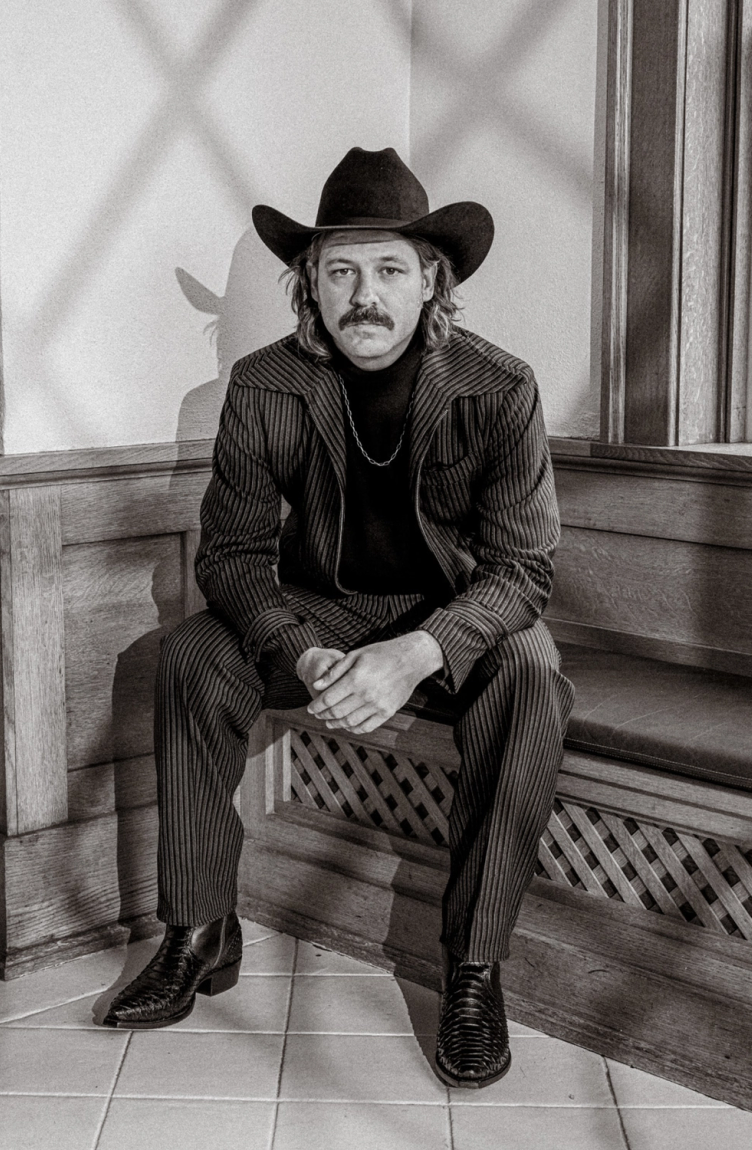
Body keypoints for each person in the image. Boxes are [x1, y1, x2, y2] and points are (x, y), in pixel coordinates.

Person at [102, 147, 575, 1089]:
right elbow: (233, 558)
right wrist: (300, 648)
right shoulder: (262, 385)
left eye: (390, 269)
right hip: (317, 611)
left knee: (529, 673)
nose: (365, 294)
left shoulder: (500, 389)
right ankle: (199, 930)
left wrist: (418, 653)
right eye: (341, 270)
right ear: (308, 284)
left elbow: (523, 570)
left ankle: (474, 972)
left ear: (432, 282)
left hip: (457, 615)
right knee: (192, 653)